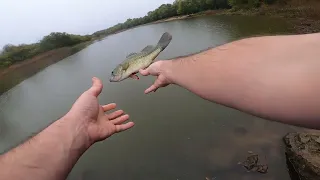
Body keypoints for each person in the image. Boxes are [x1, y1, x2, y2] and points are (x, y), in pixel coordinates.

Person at [0, 32, 319, 179]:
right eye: (118, 73)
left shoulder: (136, 64)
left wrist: (169, 67)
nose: (117, 76)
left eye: (118, 74)